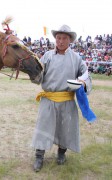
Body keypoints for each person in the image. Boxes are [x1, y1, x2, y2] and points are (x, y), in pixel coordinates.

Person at [31, 25, 92, 172]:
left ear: (70, 40)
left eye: (64, 38)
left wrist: (82, 81)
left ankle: (61, 154)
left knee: (65, 128)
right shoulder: (47, 56)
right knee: (43, 127)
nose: (61, 41)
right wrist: (32, 72)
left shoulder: (76, 58)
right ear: (55, 39)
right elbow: (38, 75)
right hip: (49, 98)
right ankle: (39, 156)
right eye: (58, 38)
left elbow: (86, 75)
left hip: (67, 98)